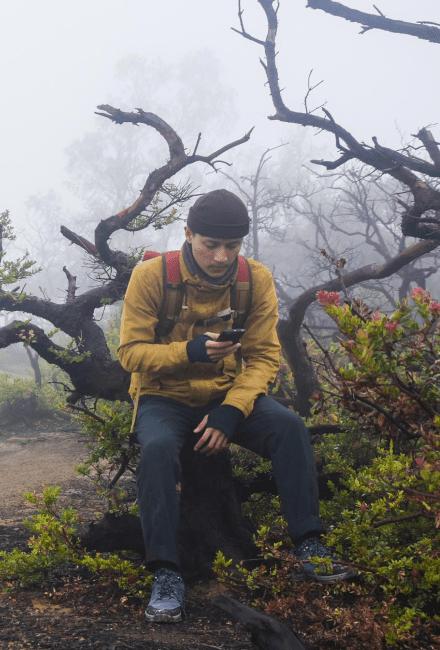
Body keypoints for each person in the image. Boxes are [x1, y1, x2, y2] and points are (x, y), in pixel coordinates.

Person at [117, 189, 353, 624]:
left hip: (227, 394)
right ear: (188, 234)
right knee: (157, 452)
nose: (222, 256)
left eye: (232, 246)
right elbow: (130, 354)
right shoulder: (151, 276)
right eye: (210, 244)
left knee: (289, 428)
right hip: (163, 397)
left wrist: (231, 411)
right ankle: (166, 573)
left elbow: (264, 357)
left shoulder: (254, 278)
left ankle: (309, 544)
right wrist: (190, 351)